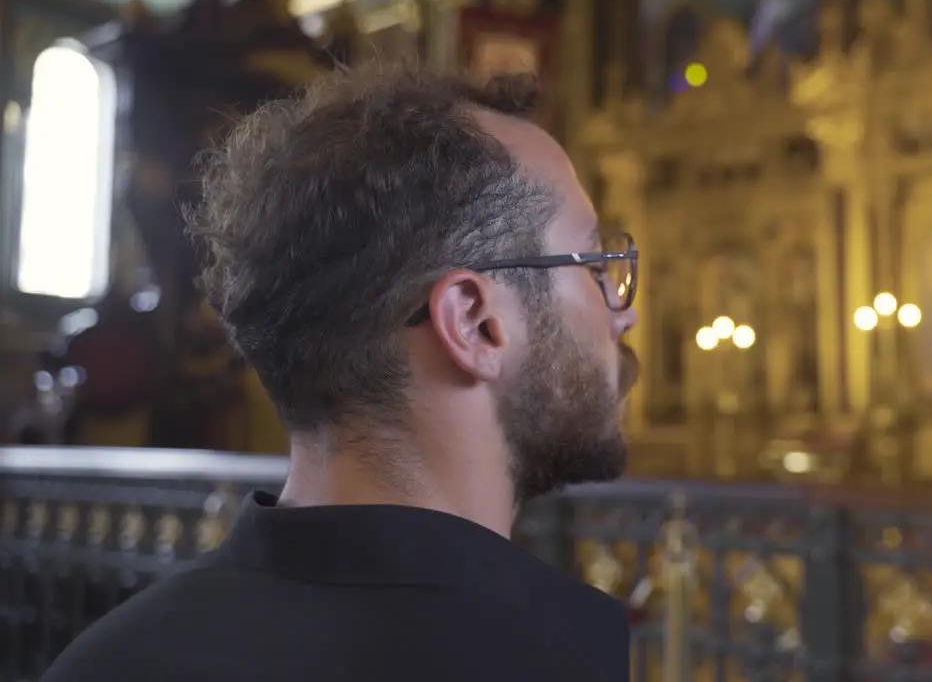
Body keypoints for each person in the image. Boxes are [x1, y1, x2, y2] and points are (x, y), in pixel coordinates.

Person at [43, 67, 639, 681]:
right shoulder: (555, 659)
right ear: (474, 322)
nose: (626, 312)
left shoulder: (106, 660)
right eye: (596, 265)